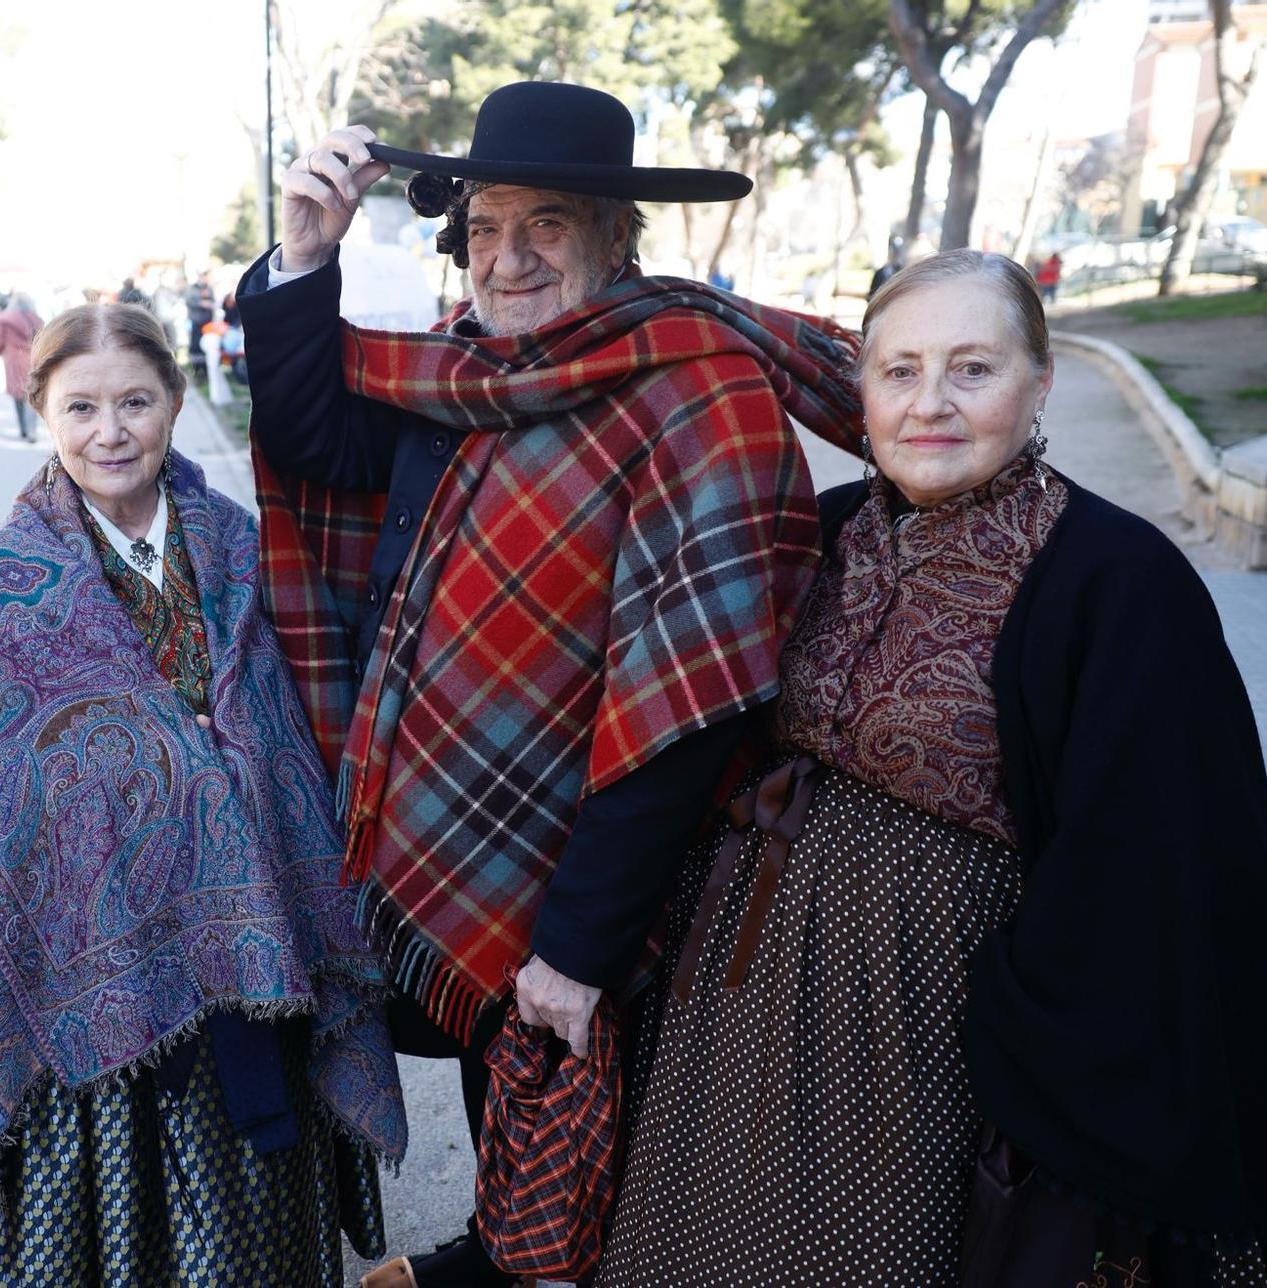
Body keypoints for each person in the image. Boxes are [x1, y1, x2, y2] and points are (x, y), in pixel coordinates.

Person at [599, 250, 1267, 1286]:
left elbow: (1156, 870)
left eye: (970, 369)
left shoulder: (1115, 581)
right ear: (858, 391)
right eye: (897, 371)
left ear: (1039, 384)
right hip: (739, 1016)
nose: (928, 405)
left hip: (937, 1045)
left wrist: (1000, 1014)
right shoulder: (817, 534)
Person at [241, 81, 861, 1287]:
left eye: (545, 227)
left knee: (626, 1199)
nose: (507, 258)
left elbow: (695, 699)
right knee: (528, 1165)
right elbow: (315, 444)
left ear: (614, 238)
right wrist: (305, 256)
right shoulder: (462, 374)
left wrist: (575, 947)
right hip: (476, 863)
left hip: (618, 887)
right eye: (482, 228)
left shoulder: (696, 391)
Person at [0, 301, 406, 1285]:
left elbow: (295, 724)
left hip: (254, 979)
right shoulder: (6, 581)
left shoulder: (236, 548)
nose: (110, 432)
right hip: (88, 980)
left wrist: (222, 773)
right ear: (42, 411)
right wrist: (163, 766)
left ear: (175, 402)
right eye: (81, 407)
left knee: (244, 1235)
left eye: (134, 401)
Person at [0, 290, 42, 441]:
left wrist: (0, 351)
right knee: (31, 395)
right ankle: (31, 430)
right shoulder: (36, 319)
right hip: (32, 358)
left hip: (13, 359)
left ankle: (23, 429)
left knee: (17, 395)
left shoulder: (6, 320)